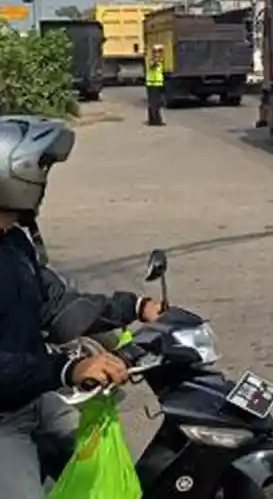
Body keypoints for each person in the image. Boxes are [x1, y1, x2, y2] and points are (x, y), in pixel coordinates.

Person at [0, 117, 163, 497]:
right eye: (40, 169)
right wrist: (70, 368)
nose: (43, 180)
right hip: (3, 420)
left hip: (34, 397)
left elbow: (56, 307)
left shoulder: (14, 244)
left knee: (100, 478)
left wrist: (135, 308)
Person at [145, 43, 166, 126]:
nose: (159, 54)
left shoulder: (159, 61)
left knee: (154, 103)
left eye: (160, 52)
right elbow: (152, 66)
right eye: (157, 52)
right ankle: (156, 121)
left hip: (156, 85)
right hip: (153, 85)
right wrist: (156, 61)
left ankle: (152, 120)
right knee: (155, 104)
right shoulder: (153, 61)